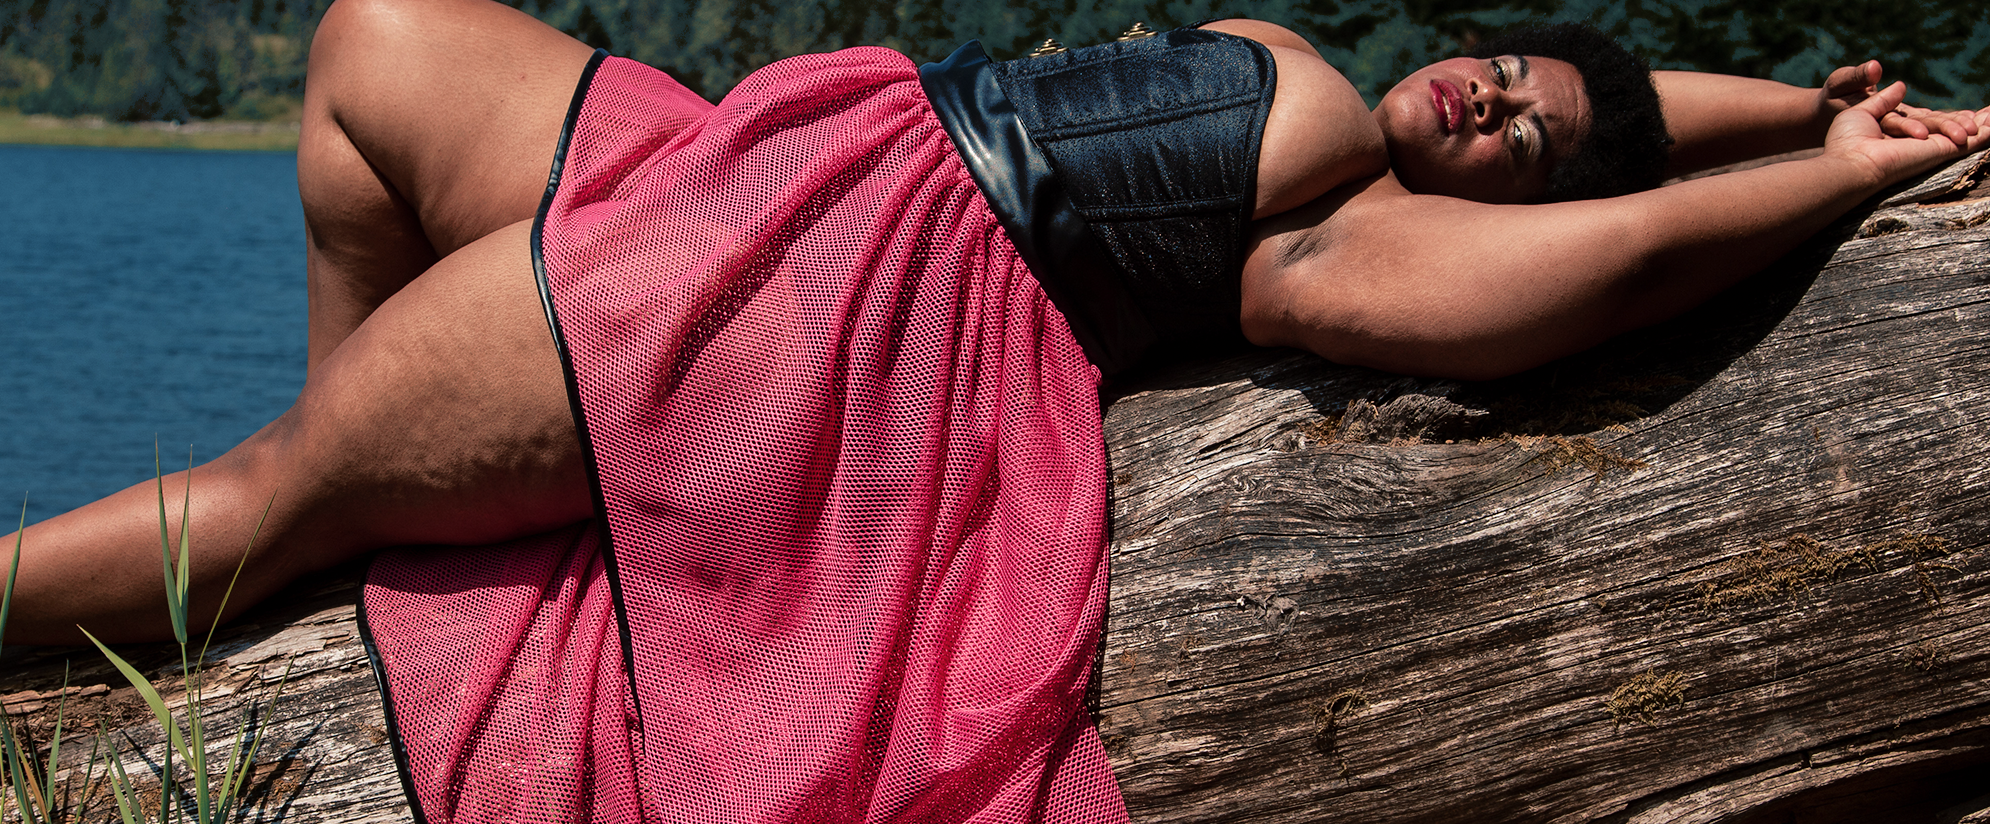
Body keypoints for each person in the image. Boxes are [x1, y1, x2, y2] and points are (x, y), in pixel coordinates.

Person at [4, 0, 1985, 820]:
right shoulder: (1367, 91)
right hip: (791, 155)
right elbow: (1609, 109)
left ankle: (317, 511)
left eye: (1504, 137)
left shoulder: (1343, 245)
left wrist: (1827, 190)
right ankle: (405, 442)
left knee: (270, 494)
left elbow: (1599, 256)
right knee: (367, 45)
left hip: (794, 299)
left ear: (1488, 206)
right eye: (1490, 68)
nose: (1477, 93)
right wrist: (1819, 104)